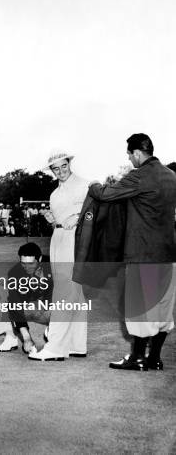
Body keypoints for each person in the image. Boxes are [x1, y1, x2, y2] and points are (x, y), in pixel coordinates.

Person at [88, 133, 176, 371]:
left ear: (137, 153)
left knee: (140, 309)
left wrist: (93, 185)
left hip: (143, 256)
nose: (129, 159)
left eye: (129, 154)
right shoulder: (172, 176)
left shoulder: (139, 176)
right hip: (168, 256)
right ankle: (155, 358)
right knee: (162, 310)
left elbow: (106, 194)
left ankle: (137, 358)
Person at [29, 150, 89, 361]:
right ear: (52, 171)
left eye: (64, 166)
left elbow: (94, 212)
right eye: (56, 168)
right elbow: (59, 218)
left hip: (75, 240)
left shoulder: (84, 185)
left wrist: (79, 217)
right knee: (75, 293)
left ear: (69, 164)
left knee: (65, 291)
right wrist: (51, 218)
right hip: (59, 238)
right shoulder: (54, 194)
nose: (61, 171)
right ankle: (76, 344)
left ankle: (55, 347)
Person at [0, 243, 53, 354]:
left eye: (31, 263)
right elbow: (14, 303)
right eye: (23, 263)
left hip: (50, 308)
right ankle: (11, 336)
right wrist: (26, 338)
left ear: (40, 258)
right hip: (28, 307)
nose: (27, 267)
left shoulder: (53, 265)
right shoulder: (14, 272)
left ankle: (56, 333)